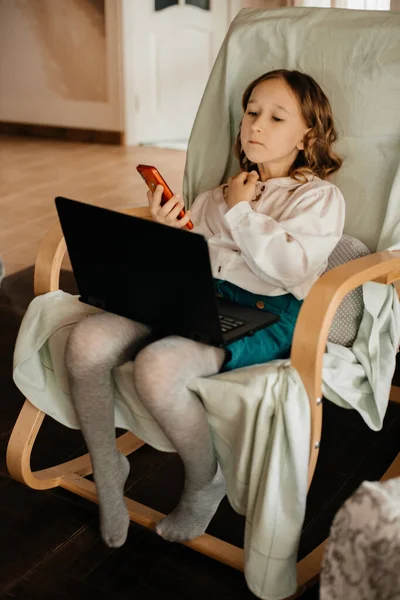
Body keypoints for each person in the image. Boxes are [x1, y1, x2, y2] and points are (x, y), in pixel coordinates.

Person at [65, 69, 345, 549]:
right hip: (199, 297)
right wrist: (168, 231)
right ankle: (108, 463)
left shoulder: (317, 198)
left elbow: (289, 267)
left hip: (269, 312)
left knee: (158, 366)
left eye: (276, 117)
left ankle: (204, 479)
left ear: (309, 136)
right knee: (86, 341)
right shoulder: (217, 194)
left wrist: (241, 212)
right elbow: (196, 263)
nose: (256, 124)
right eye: (251, 112)